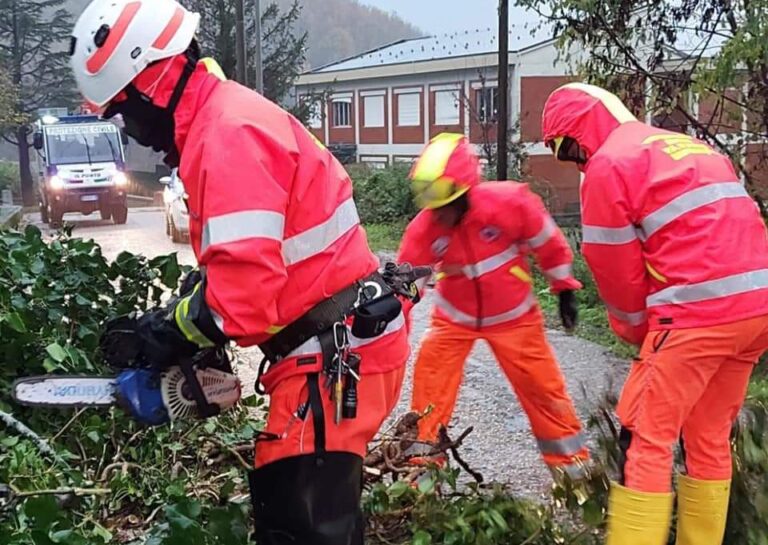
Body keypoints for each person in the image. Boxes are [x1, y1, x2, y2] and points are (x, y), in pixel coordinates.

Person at [69, 1, 411, 543]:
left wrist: (166, 332)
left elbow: (243, 301)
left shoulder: (226, 137)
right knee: (311, 516)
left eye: (121, 110)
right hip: (332, 339)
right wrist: (192, 307)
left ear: (150, 82)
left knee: (302, 526)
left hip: (331, 355)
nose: (127, 127)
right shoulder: (224, 119)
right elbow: (251, 261)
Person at [542, 82, 768, 545]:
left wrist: (635, 329)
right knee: (707, 438)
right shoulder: (690, 146)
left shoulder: (610, 163)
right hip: (756, 308)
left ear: (584, 128)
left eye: (567, 147)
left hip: (696, 314)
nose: (573, 159)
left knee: (647, 439)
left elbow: (616, 268)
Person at [397, 132, 590, 481]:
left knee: (544, 391)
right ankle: (421, 478)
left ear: (467, 193)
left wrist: (564, 289)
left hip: (515, 318)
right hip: (454, 320)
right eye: (434, 207)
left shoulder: (510, 203)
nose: (440, 215)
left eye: (447, 205)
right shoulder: (424, 229)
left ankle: (575, 473)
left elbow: (549, 242)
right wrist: (395, 324)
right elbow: (405, 286)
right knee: (429, 392)